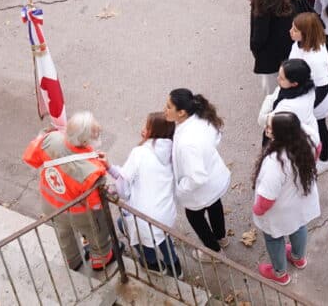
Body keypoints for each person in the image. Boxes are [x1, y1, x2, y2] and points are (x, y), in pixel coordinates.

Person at [22, 112, 113, 271]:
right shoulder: (92, 170)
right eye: (95, 133)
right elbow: (96, 205)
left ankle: (73, 261)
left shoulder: (50, 139)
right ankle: (100, 261)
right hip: (79, 213)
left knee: (64, 235)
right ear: (84, 141)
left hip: (50, 205)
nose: (98, 133)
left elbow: (31, 158)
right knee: (96, 233)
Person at [252, 111, 320, 286]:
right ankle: (298, 258)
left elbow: (267, 199)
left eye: (269, 128)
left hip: (280, 209)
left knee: (274, 237)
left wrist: (257, 210)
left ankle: (280, 273)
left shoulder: (275, 162)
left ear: (281, 135)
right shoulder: (307, 136)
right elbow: (318, 149)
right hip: (301, 197)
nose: (266, 130)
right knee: (298, 226)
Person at [110, 113, 181, 275]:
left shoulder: (139, 153)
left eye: (147, 127)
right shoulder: (171, 153)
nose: (143, 129)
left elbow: (124, 188)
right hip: (165, 213)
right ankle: (175, 266)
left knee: (125, 225)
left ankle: (152, 264)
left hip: (144, 217)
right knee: (162, 236)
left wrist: (110, 171)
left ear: (154, 132)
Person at [166, 89, 232, 252]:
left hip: (201, 186)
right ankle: (221, 237)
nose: (164, 110)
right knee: (214, 204)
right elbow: (216, 138)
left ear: (181, 112)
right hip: (215, 176)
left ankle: (214, 250)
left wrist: (181, 189)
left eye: (168, 107)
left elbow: (197, 178)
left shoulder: (188, 143)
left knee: (194, 216)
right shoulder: (202, 119)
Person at [251, 0, 307, 92]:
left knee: (272, 87)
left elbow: (260, 31)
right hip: (290, 39)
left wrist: (255, 48)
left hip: (272, 49)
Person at [289, 12, 328, 173]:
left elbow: (322, 88)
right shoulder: (299, 43)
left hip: (318, 97)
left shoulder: (315, 59)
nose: (290, 31)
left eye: (295, 30)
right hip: (305, 92)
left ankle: (326, 159)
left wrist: (307, 107)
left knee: (320, 126)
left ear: (306, 34)